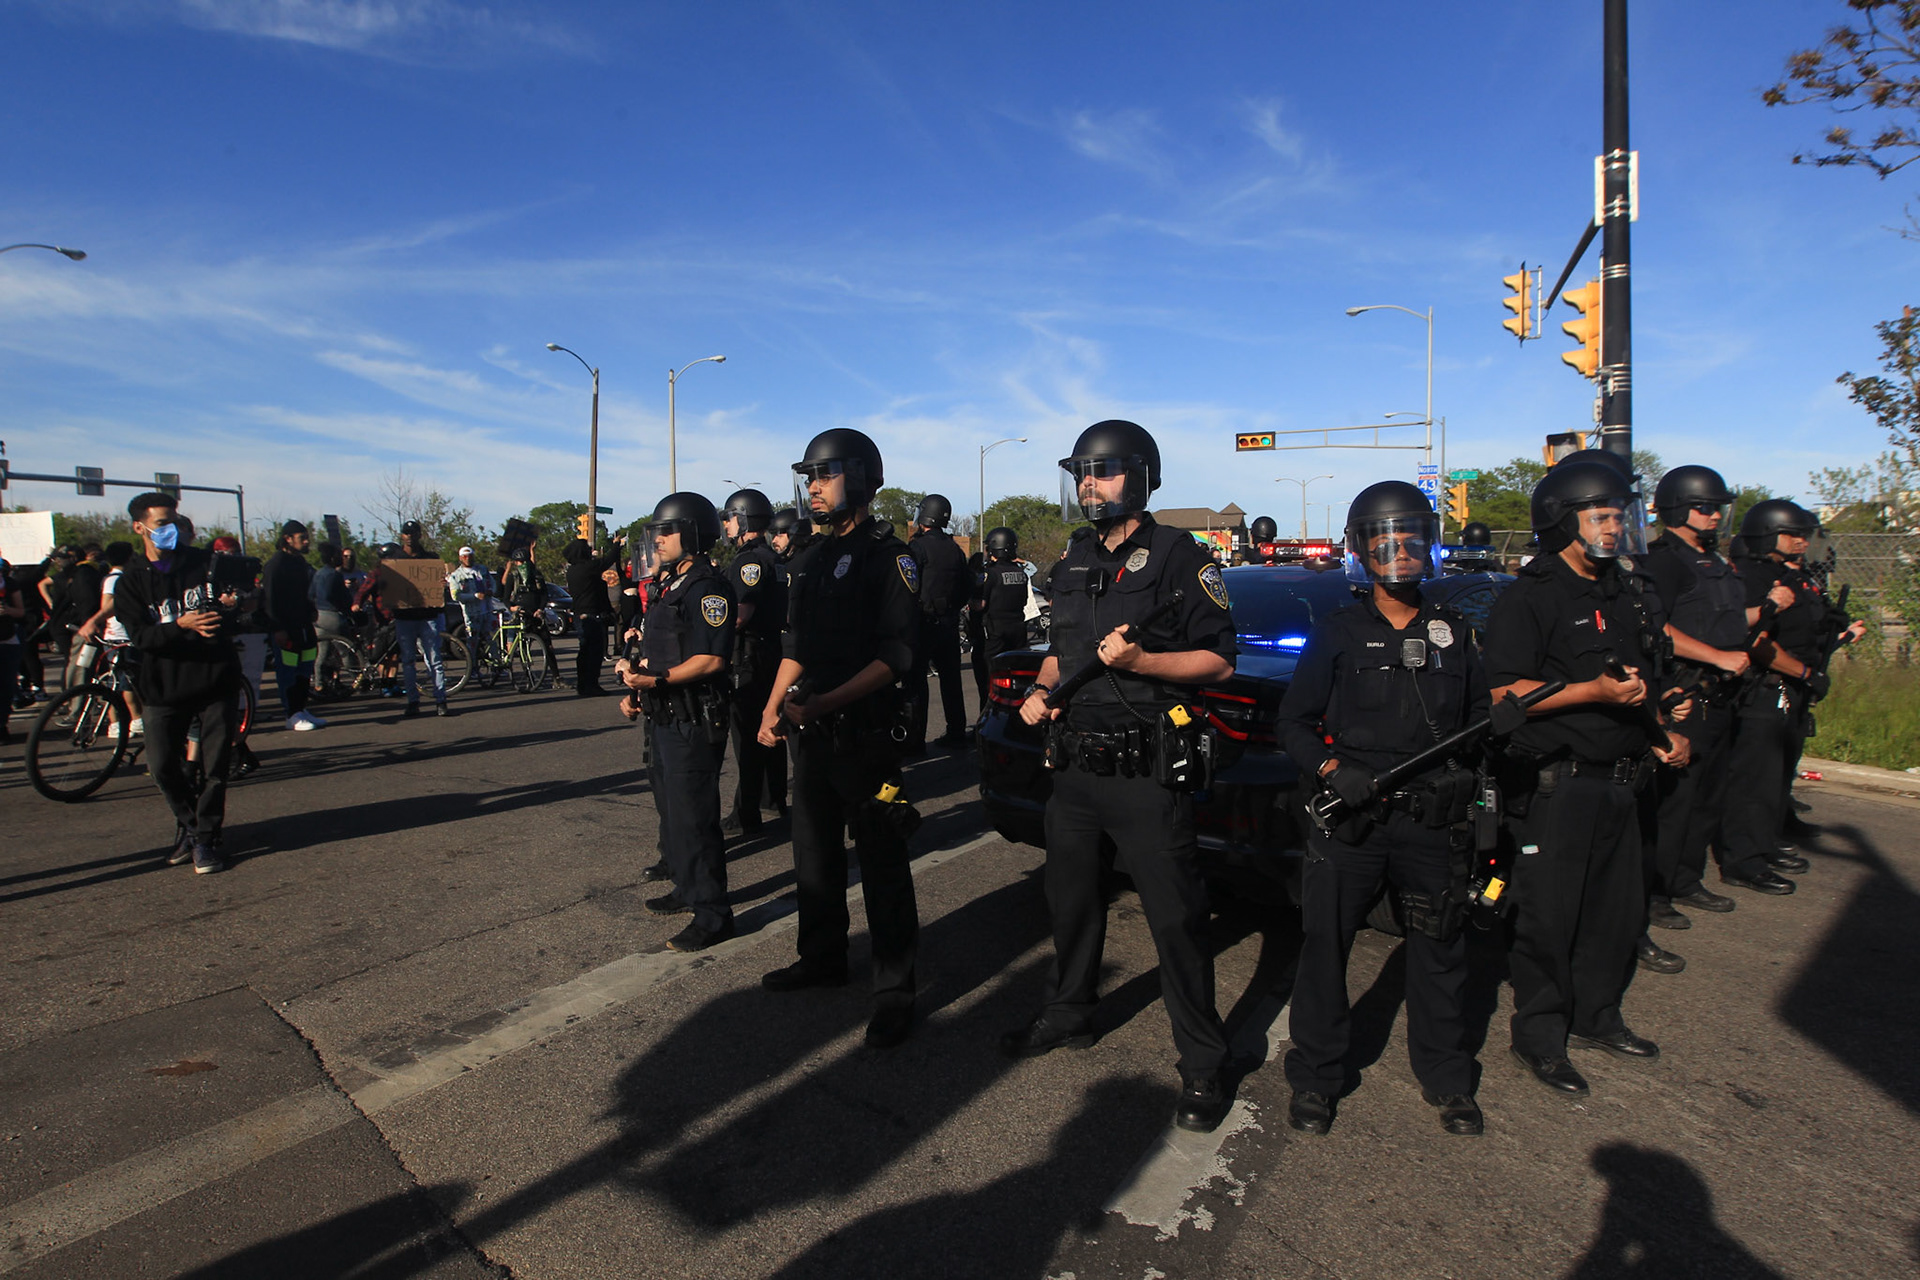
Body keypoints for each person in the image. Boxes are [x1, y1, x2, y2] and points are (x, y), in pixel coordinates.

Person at [1003, 419, 1237, 1132]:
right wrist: (1040, 690)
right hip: (1075, 766)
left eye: (1101, 472)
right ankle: (1069, 1012)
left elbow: (1218, 660)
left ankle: (1202, 1060)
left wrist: (1142, 663)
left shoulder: (1181, 557)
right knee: (1071, 902)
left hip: (1145, 770)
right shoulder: (1073, 558)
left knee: (1176, 918)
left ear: (1140, 477)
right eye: (1082, 473)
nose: (1089, 485)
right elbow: (1061, 650)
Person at [1276, 481, 1489, 1137]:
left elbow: (1479, 721)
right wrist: (1333, 770)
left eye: (1410, 541)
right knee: (1324, 950)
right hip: (1354, 820)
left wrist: (1501, 724)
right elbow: (1294, 724)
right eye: (1384, 543)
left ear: (1429, 547)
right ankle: (1316, 1078)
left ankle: (1448, 1078)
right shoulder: (1337, 633)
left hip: (1431, 823)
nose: (1399, 553)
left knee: (1440, 948)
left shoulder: (1455, 633)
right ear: (1362, 552)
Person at [1483, 461, 1693, 1098]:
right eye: (1600, 516)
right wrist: (1590, 692)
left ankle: (1598, 1017)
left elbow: (1643, 677)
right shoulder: (1531, 597)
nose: (1613, 527)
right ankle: (1540, 1034)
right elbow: (1502, 694)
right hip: (1558, 786)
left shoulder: (1627, 592)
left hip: (1624, 783)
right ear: (1562, 522)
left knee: (1614, 914)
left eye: (1618, 516)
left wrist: (1665, 720)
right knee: (1548, 919)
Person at [757, 428, 922, 1049]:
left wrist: (826, 701)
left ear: (860, 478)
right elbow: (797, 646)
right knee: (814, 855)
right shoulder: (812, 558)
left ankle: (894, 993)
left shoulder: (890, 558)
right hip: (813, 734)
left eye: (823, 476)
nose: (813, 488)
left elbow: (896, 656)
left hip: (867, 733)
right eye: (809, 478)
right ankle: (822, 957)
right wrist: (773, 707)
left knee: (882, 862)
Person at [1639, 467, 1774, 930]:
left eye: (1718, 507)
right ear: (1678, 509)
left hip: (1723, 692)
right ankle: (1654, 892)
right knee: (1675, 801)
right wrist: (1716, 657)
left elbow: (1729, 618)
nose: (1714, 515)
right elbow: (1656, 626)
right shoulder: (1663, 561)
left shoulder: (1715, 561)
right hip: (1686, 690)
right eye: (1704, 507)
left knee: (1707, 796)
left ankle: (1685, 878)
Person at [1720, 500, 1864, 892]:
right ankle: (1742, 860)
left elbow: (1802, 629)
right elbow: (1758, 642)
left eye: (1804, 535)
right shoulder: (1751, 576)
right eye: (1793, 534)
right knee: (1755, 780)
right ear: (1769, 533)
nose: (1802, 542)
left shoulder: (1788, 574)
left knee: (1777, 777)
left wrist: (1833, 632)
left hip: (1794, 688)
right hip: (1766, 689)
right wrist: (1803, 673)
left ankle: (1764, 844)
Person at [616, 494, 737, 952]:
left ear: (692, 533)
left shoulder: (707, 588)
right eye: (657, 532)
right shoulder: (671, 585)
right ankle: (686, 888)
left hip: (694, 716)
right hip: (664, 712)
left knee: (694, 818)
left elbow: (711, 659)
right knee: (673, 813)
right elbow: (663, 651)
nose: (659, 540)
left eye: (666, 531)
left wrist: (656, 680)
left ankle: (713, 914)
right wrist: (636, 687)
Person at [114, 493, 244, 875]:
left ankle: (205, 839)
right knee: (161, 766)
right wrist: (181, 625)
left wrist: (235, 605)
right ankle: (190, 825)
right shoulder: (131, 581)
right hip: (163, 686)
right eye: (161, 523)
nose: (170, 530)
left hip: (215, 679)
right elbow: (142, 637)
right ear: (140, 527)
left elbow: (240, 608)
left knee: (215, 768)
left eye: (174, 521)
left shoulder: (205, 565)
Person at [722, 489, 789, 833]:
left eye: (731, 518)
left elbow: (740, 615)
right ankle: (772, 798)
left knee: (747, 736)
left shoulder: (748, 562)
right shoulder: (774, 558)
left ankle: (746, 812)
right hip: (772, 651)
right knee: (770, 725)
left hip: (749, 655)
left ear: (744, 519)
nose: (726, 525)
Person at [906, 494, 972, 752]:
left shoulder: (918, 547)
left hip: (923, 622)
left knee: (916, 683)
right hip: (949, 621)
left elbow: (909, 585)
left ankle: (915, 740)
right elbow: (966, 586)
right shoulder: (955, 549)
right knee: (951, 679)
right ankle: (956, 732)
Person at [75, 542, 145, 735]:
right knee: (126, 682)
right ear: (130, 557)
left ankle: (118, 723)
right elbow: (108, 603)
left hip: (116, 635)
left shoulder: (110, 577)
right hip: (122, 636)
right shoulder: (117, 579)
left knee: (117, 680)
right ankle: (132, 719)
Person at [263, 521, 324, 731]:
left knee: (305, 668)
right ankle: (291, 713)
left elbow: (305, 593)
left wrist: (311, 609)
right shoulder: (275, 565)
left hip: (304, 626)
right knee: (288, 671)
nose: (306, 542)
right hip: (286, 628)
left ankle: (301, 708)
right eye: (302, 538)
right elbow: (269, 599)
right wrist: (277, 628)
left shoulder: (300, 563)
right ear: (288, 539)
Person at [391, 520, 451, 716]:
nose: (409, 536)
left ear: (419, 535)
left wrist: (441, 584)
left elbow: (440, 585)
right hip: (404, 617)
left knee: (434, 660)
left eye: (413, 532)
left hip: (427, 616)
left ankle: (441, 700)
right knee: (408, 661)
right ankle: (413, 701)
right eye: (406, 533)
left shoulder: (430, 559)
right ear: (402, 536)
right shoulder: (395, 560)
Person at [564, 531, 626, 696]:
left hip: (580, 613)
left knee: (584, 651)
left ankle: (582, 683)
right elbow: (608, 560)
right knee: (594, 651)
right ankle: (591, 684)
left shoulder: (572, 571)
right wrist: (616, 545)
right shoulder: (587, 568)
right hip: (591, 614)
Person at [976, 527, 1032, 666]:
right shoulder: (1021, 573)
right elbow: (1024, 600)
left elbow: (981, 604)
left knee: (990, 666)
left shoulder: (990, 574)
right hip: (1018, 628)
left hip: (996, 630)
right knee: (1016, 665)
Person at [447, 545, 497, 654]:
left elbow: (493, 583)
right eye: (464, 556)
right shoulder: (456, 576)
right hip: (471, 614)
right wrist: (474, 596)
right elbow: (456, 596)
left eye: (470, 556)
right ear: (460, 558)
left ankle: (496, 662)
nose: (467, 559)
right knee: (472, 642)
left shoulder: (482, 570)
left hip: (487, 611)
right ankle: (472, 663)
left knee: (492, 639)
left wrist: (491, 591)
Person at [0, 560, 24, 741]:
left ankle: (2, 724)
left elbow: (20, 612)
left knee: (6, 686)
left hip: (7, 640)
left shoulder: (9, 584)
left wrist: (7, 610)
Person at [312, 542, 355, 639]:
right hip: (333, 615)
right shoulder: (334, 575)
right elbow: (338, 596)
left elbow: (311, 594)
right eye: (339, 555)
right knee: (345, 645)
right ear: (332, 558)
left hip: (318, 615)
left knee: (322, 646)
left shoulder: (318, 573)